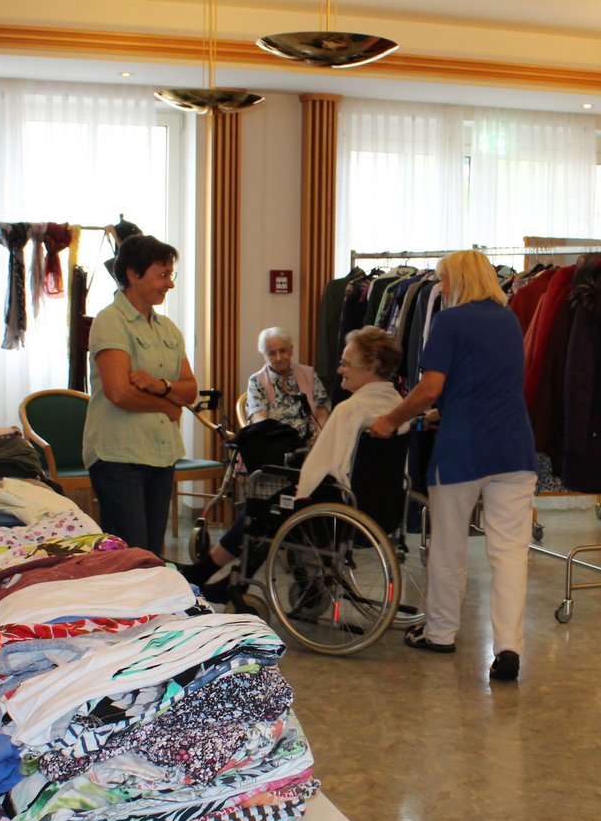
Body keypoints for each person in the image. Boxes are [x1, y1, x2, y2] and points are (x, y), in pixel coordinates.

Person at [370, 251, 537, 683]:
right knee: (510, 553)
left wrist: (390, 419)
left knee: (448, 547)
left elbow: (430, 388)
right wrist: (444, 409)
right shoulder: (509, 320)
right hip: (514, 448)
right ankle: (508, 649)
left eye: (444, 280)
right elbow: (489, 385)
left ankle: (441, 633)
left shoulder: (449, 322)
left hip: (464, 449)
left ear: (459, 279)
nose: (440, 289)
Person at [179, 327, 403, 589]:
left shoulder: (349, 409)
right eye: (272, 352)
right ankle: (230, 578)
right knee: (274, 502)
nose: (339, 369)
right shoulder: (397, 405)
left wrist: (302, 462)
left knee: (261, 508)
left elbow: (318, 467)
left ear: (370, 368)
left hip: (335, 505)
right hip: (381, 505)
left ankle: (213, 574)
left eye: (345, 364)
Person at [82, 234, 197, 555]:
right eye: (163, 275)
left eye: (171, 275)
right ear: (133, 274)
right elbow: (119, 393)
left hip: (161, 454)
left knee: (152, 553)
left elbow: (190, 389)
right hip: (118, 456)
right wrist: (167, 406)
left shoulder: (167, 328)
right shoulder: (110, 321)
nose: (169, 284)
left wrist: (162, 386)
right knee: (130, 554)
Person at [244, 326, 328, 439]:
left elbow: (322, 411)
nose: (279, 358)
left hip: (312, 442)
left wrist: (320, 435)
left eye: (283, 351)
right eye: (272, 353)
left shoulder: (309, 375)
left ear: (291, 350)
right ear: (265, 356)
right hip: (276, 442)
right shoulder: (256, 381)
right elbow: (260, 420)